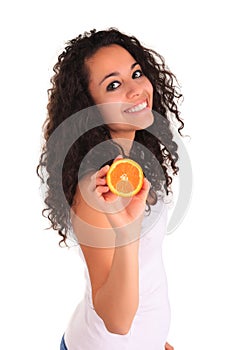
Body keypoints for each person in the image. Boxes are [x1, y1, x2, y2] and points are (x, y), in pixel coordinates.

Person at [37, 28, 184, 350]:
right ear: (88, 105)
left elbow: (145, 271)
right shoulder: (98, 191)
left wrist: (156, 338)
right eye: (114, 84)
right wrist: (126, 232)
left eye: (136, 73)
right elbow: (116, 322)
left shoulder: (132, 163)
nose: (137, 90)